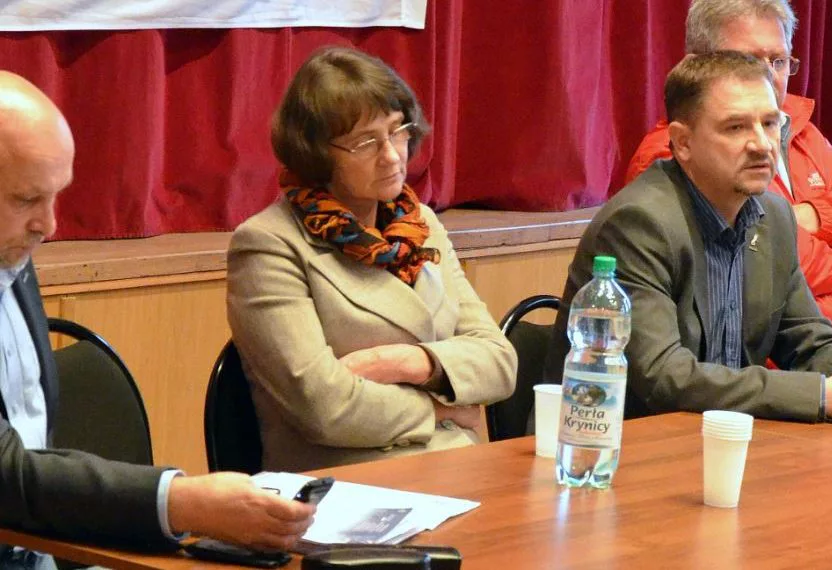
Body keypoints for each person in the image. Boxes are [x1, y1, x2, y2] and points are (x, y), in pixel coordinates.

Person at [0, 71, 314, 557]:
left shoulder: (12, 253)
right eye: (26, 200)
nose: (50, 224)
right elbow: (7, 477)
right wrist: (182, 501)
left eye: (55, 195)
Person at [547, 51, 832, 424]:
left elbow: (807, 337)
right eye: (736, 128)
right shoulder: (638, 225)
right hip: (617, 441)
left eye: (769, 124)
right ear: (683, 142)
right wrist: (820, 395)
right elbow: (663, 375)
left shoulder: (773, 216)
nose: (762, 144)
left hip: (723, 436)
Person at [226, 47, 517, 473]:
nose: (393, 155)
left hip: (457, 463)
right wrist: (439, 410)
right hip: (350, 479)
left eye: (398, 131)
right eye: (366, 142)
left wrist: (407, 363)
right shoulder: (269, 244)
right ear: (316, 153)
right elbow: (323, 408)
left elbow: (500, 361)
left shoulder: (421, 224)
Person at [625, 0, 832, 375]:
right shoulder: (680, 154)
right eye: (748, 61)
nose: (768, 77)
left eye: (779, 61)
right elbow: (773, 272)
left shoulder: (799, 132)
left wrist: (817, 216)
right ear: (697, 66)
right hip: (766, 389)